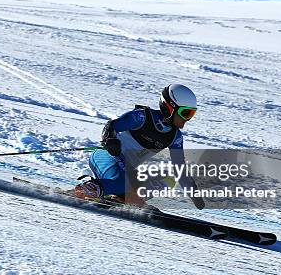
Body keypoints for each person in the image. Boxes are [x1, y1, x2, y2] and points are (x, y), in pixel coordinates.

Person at [74, 84, 203, 208]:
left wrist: (194, 193)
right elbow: (111, 126)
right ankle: (87, 189)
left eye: (191, 114)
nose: (187, 119)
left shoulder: (175, 137)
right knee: (127, 182)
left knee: (168, 180)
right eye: (185, 113)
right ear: (169, 107)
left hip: (127, 169)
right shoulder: (142, 117)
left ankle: (121, 198)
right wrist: (110, 140)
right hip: (105, 157)